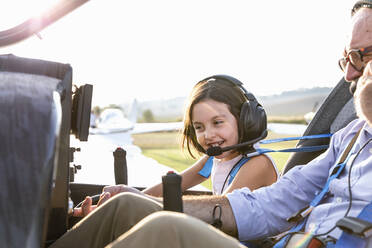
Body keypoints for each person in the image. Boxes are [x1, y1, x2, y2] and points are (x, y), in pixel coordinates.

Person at [51, 2, 372, 248]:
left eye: (361, 57)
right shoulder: (350, 137)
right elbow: (273, 203)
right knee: (125, 205)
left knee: (164, 228)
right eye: (346, 59)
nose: (349, 75)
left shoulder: (255, 164)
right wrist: (145, 200)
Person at [74, 75, 278, 217]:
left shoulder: (256, 164)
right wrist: (127, 196)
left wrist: (135, 203)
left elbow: (219, 212)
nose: (208, 135)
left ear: (247, 120)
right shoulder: (214, 159)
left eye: (217, 122)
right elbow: (176, 184)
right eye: (199, 127)